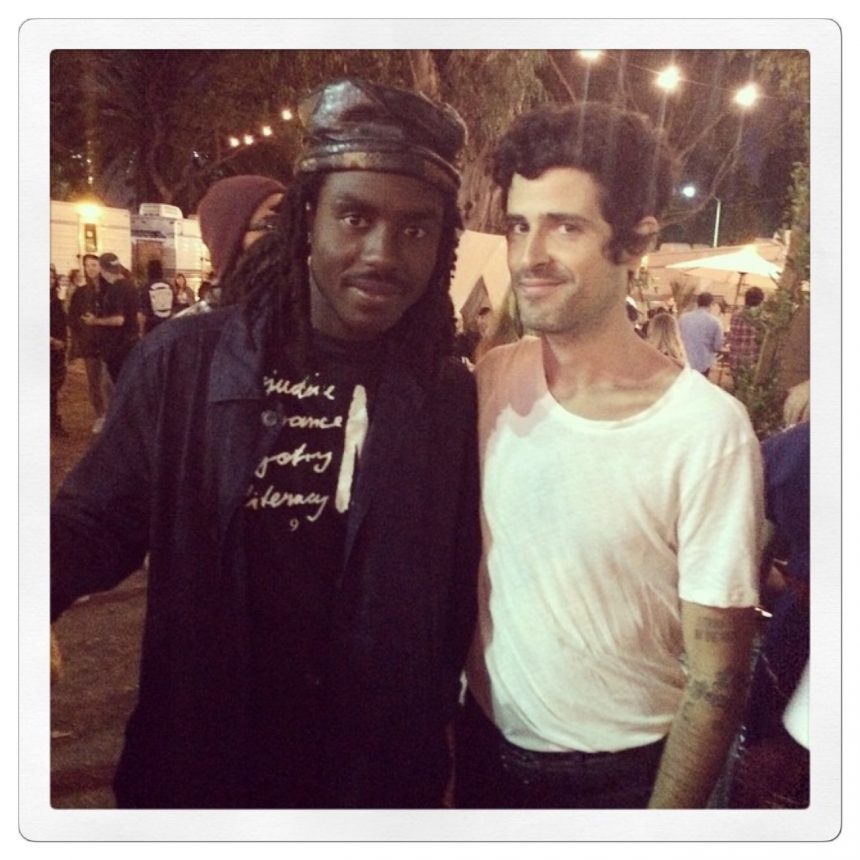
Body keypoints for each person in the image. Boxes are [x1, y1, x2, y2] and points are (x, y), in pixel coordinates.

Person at [51, 77, 480, 809]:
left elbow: (461, 582)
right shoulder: (184, 364)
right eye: (355, 217)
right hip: (207, 764)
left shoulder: (447, 397)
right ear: (308, 219)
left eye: (416, 229)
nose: (382, 252)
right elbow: (94, 522)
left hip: (371, 779)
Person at [457, 102, 763, 809]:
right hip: (482, 753)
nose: (529, 255)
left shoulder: (706, 430)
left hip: (618, 783)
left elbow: (718, 679)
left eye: (565, 226)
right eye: (520, 225)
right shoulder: (494, 380)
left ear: (636, 243)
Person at [176, 174, 287, 317]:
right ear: (230, 242)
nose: (291, 232)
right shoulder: (194, 327)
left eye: (294, 219)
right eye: (273, 222)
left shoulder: (306, 317)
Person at [80, 252, 139, 383]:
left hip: (118, 348)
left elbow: (118, 320)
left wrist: (94, 321)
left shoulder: (115, 289)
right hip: (132, 342)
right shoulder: (130, 285)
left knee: (116, 385)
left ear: (102, 269)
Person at [67, 253, 109, 431]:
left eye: (94, 265)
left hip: (108, 345)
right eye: (87, 265)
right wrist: (82, 328)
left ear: (100, 267)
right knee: (93, 383)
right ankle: (101, 415)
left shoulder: (109, 290)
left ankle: (112, 415)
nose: (90, 268)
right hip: (90, 345)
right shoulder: (80, 292)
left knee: (108, 382)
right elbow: (72, 317)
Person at [678, 291, 724, 377]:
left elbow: (677, 338)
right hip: (703, 362)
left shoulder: (683, 318)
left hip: (684, 361)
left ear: (697, 303)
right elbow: (717, 346)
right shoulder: (715, 321)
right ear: (711, 304)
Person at [727, 286, 765, 377]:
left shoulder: (735, 314)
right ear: (760, 301)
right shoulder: (760, 318)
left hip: (735, 360)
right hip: (750, 363)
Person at [50, 267, 68, 436]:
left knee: (53, 387)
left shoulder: (55, 301)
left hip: (57, 351)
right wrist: (51, 340)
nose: (49, 281)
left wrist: (63, 342)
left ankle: (53, 422)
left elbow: (61, 322)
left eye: (51, 277)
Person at [138, 258, 175, 335]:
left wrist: (141, 331)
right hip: (168, 326)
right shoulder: (169, 286)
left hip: (152, 327)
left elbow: (142, 313)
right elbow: (174, 306)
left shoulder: (146, 287)